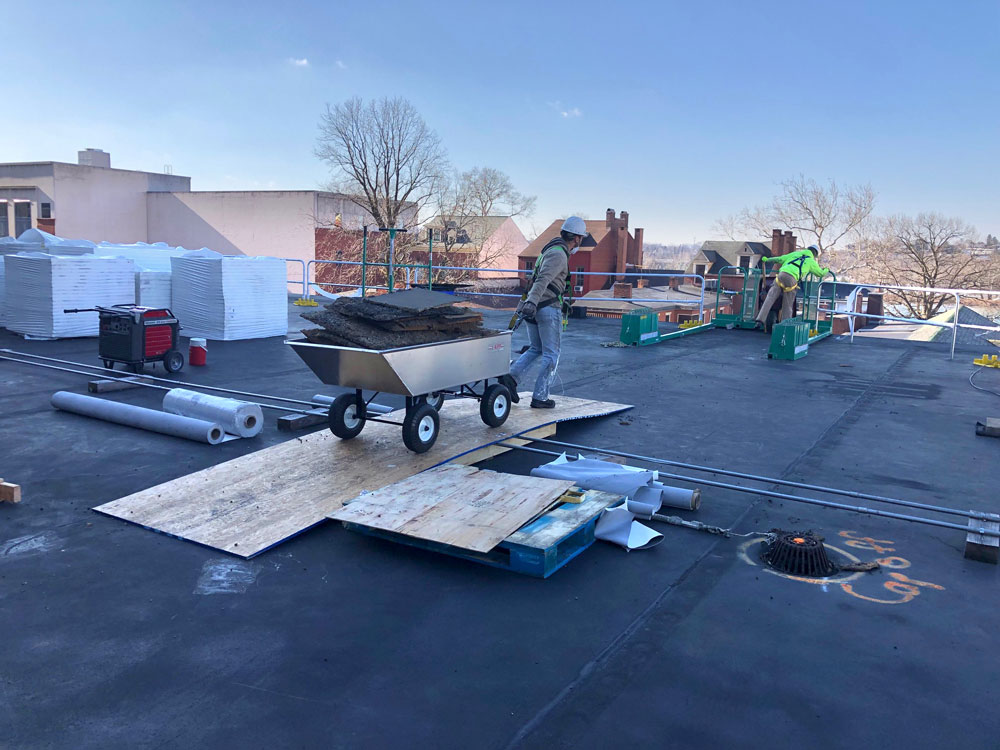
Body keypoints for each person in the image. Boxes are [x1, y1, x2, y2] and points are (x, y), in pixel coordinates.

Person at [501, 216, 587, 408]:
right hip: (545, 308)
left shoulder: (549, 250)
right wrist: (531, 302)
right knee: (552, 353)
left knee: (536, 348)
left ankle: (512, 378)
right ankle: (540, 396)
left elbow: (536, 280)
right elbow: (543, 280)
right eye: (581, 239)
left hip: (535, 307)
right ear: (577, 238)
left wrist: (528, 304)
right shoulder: (558, 254)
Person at [754, 244, 829, 329]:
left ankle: (759, 320)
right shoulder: (811, 261)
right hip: (791, 279)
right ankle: (784, 326)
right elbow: (820, 273)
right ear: (815, 254)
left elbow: (780, 259)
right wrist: (826, 270)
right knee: (788, 304)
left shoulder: (795, 254)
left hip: (781, 275)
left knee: (769, 298)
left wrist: (768, 259)